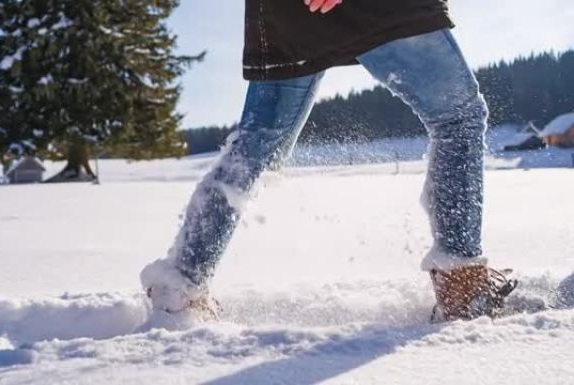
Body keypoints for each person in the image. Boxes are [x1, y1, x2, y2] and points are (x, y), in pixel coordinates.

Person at [140, 0, 517, 323]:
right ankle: (461, 281)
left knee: (256, 145)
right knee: (458, 117)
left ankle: (180, 285)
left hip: (285, 15)